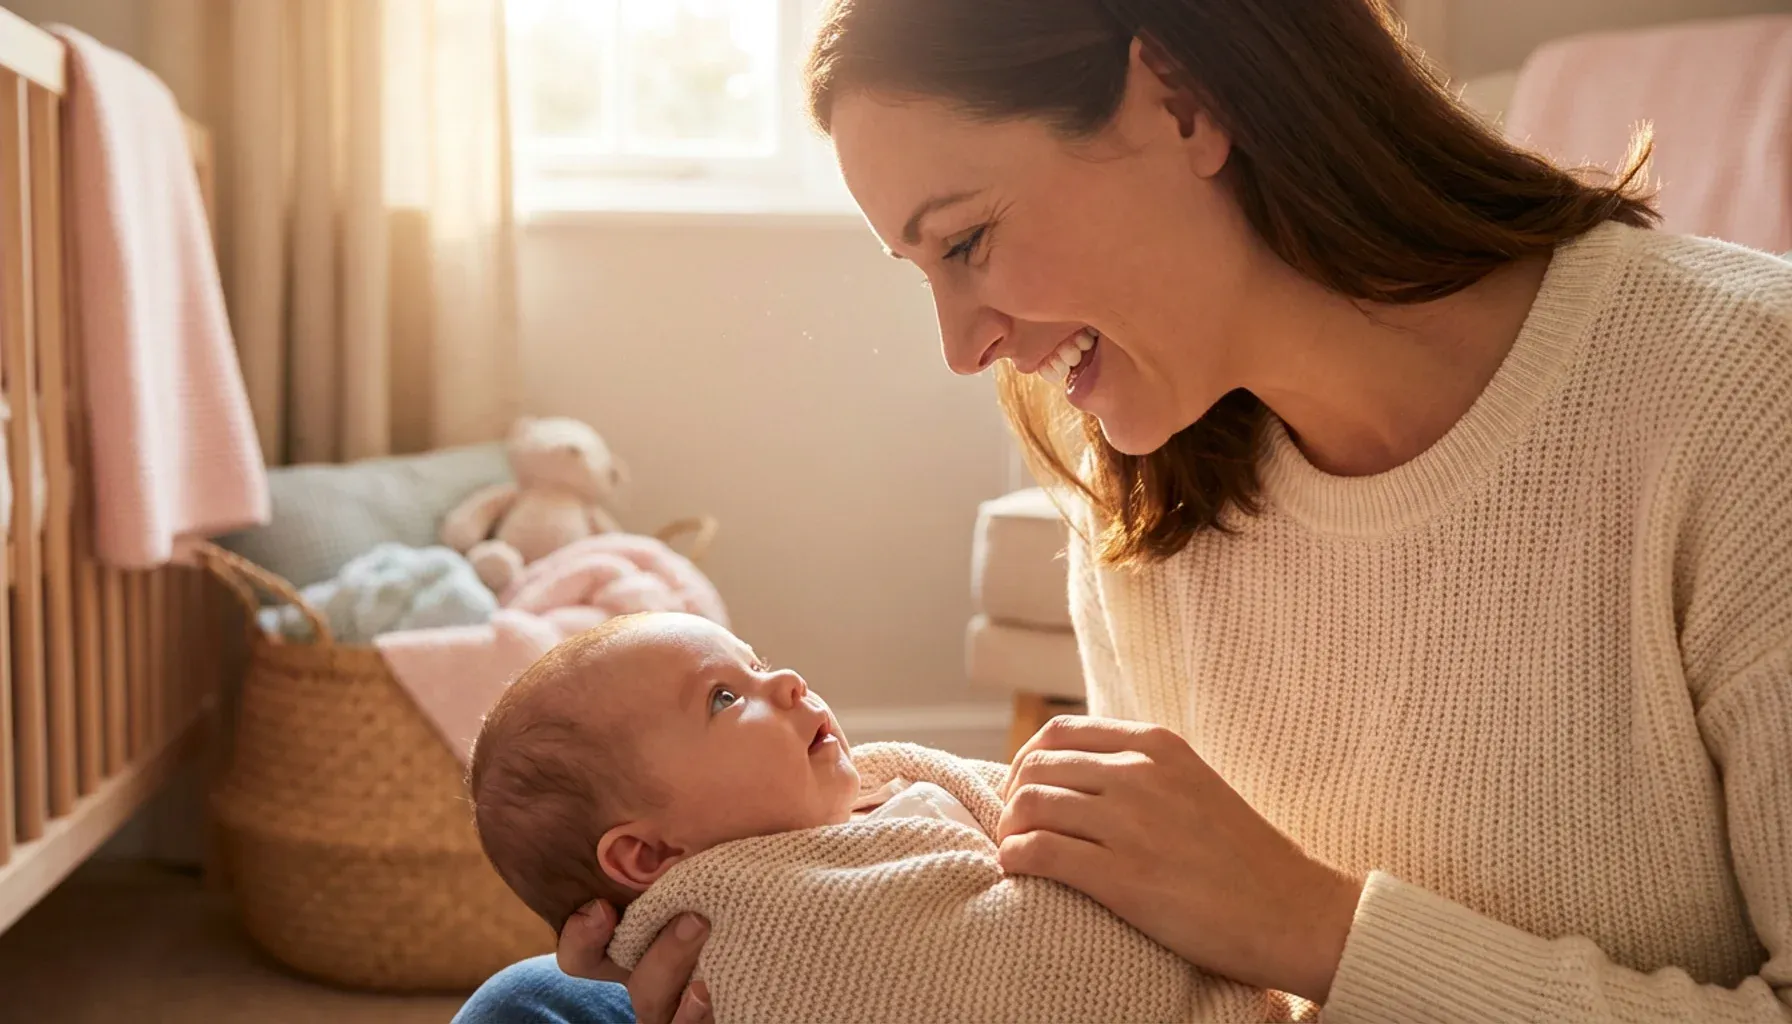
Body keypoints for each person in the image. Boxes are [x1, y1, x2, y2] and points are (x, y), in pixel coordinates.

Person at [456, 0, 1792, 1020]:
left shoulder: (1742, 402)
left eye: (966, 240)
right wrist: (780, 943)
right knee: (541, 1003)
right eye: (924, 271)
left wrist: (1319, 928)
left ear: (1182, 100)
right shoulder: (1147, 492)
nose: (962, 347)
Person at [467, 611, 1282, 1023]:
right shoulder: (777, 919)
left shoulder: (881, 788)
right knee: (521, 1001)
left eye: (756, 663)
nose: (787, 680)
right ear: (648, 856)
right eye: (724, 698)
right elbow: (1008, 967)